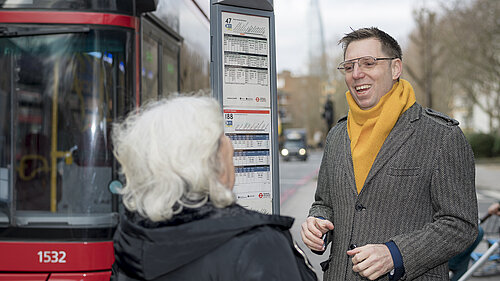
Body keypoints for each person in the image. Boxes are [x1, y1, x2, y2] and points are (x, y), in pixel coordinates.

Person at [300, 27, 478, 280]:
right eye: (349, 67)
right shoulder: (337, 135)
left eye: (368, 63)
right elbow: (324, 202)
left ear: (395, 68)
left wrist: (396, 254)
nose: (357, 74)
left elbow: (461, 225)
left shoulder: (441, 135)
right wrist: (318, 223)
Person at [112, 96, 317, 281]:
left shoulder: (131, 242)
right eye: (221, 137)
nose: (231, 146)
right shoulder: (257, 246)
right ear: (208, 161)